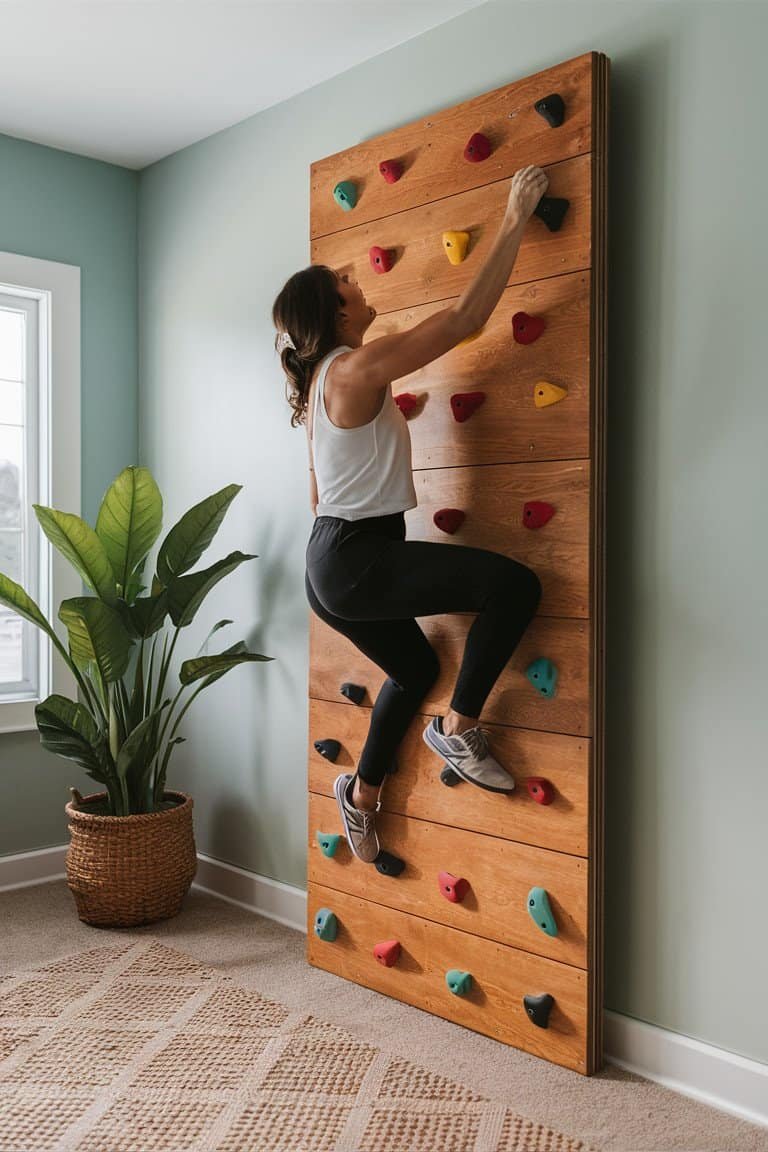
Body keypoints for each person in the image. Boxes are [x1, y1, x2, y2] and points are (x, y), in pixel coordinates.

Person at [272, 165, 548, 866]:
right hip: (357, 558)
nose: (356, 282)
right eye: (345, 281)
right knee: (513, 588)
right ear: (332, 310)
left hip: (329, 561)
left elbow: (317, 494)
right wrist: (515, 213)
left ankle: (360, 798)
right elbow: (463, 321)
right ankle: (459, 729)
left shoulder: (329, 380)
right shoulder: (354, 369)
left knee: (415, 668)